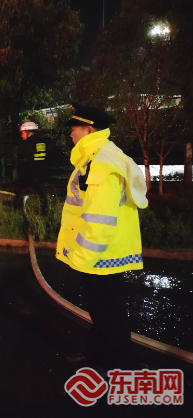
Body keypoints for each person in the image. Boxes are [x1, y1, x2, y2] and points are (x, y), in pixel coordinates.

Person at [57, 103, 148, 372]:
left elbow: (100, 218)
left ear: (89, 129)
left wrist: (84, 256)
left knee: (111, 312)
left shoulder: (102, 162)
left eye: (74, 128)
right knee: (100, 308)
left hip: (101, 252)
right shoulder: (96, 156)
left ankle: (119, 367)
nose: (70, 133)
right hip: (101, 251)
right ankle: (97, 354)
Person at [15, 120, 49, 214]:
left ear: (28, 132)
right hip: (42, 171)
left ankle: (18, 209)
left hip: (32, 171)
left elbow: (28, 158)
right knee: (42, 192)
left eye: (22, 133)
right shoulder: (42, 142)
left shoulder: (28, 144)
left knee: (20, 189)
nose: (21, 135)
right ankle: (44, 211)